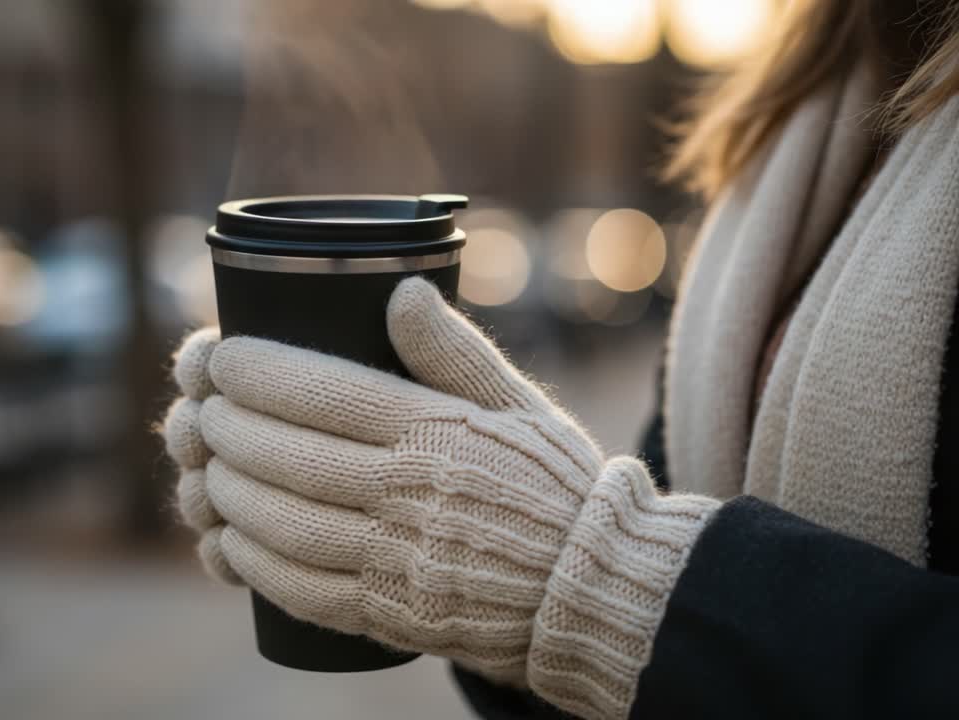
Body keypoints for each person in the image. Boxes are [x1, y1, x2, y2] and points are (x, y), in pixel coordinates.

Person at [161, 1, 959, 717]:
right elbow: (632, 677)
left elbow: (630, 581)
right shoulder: (782, 140)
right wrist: (489, 591)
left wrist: (591, 583)